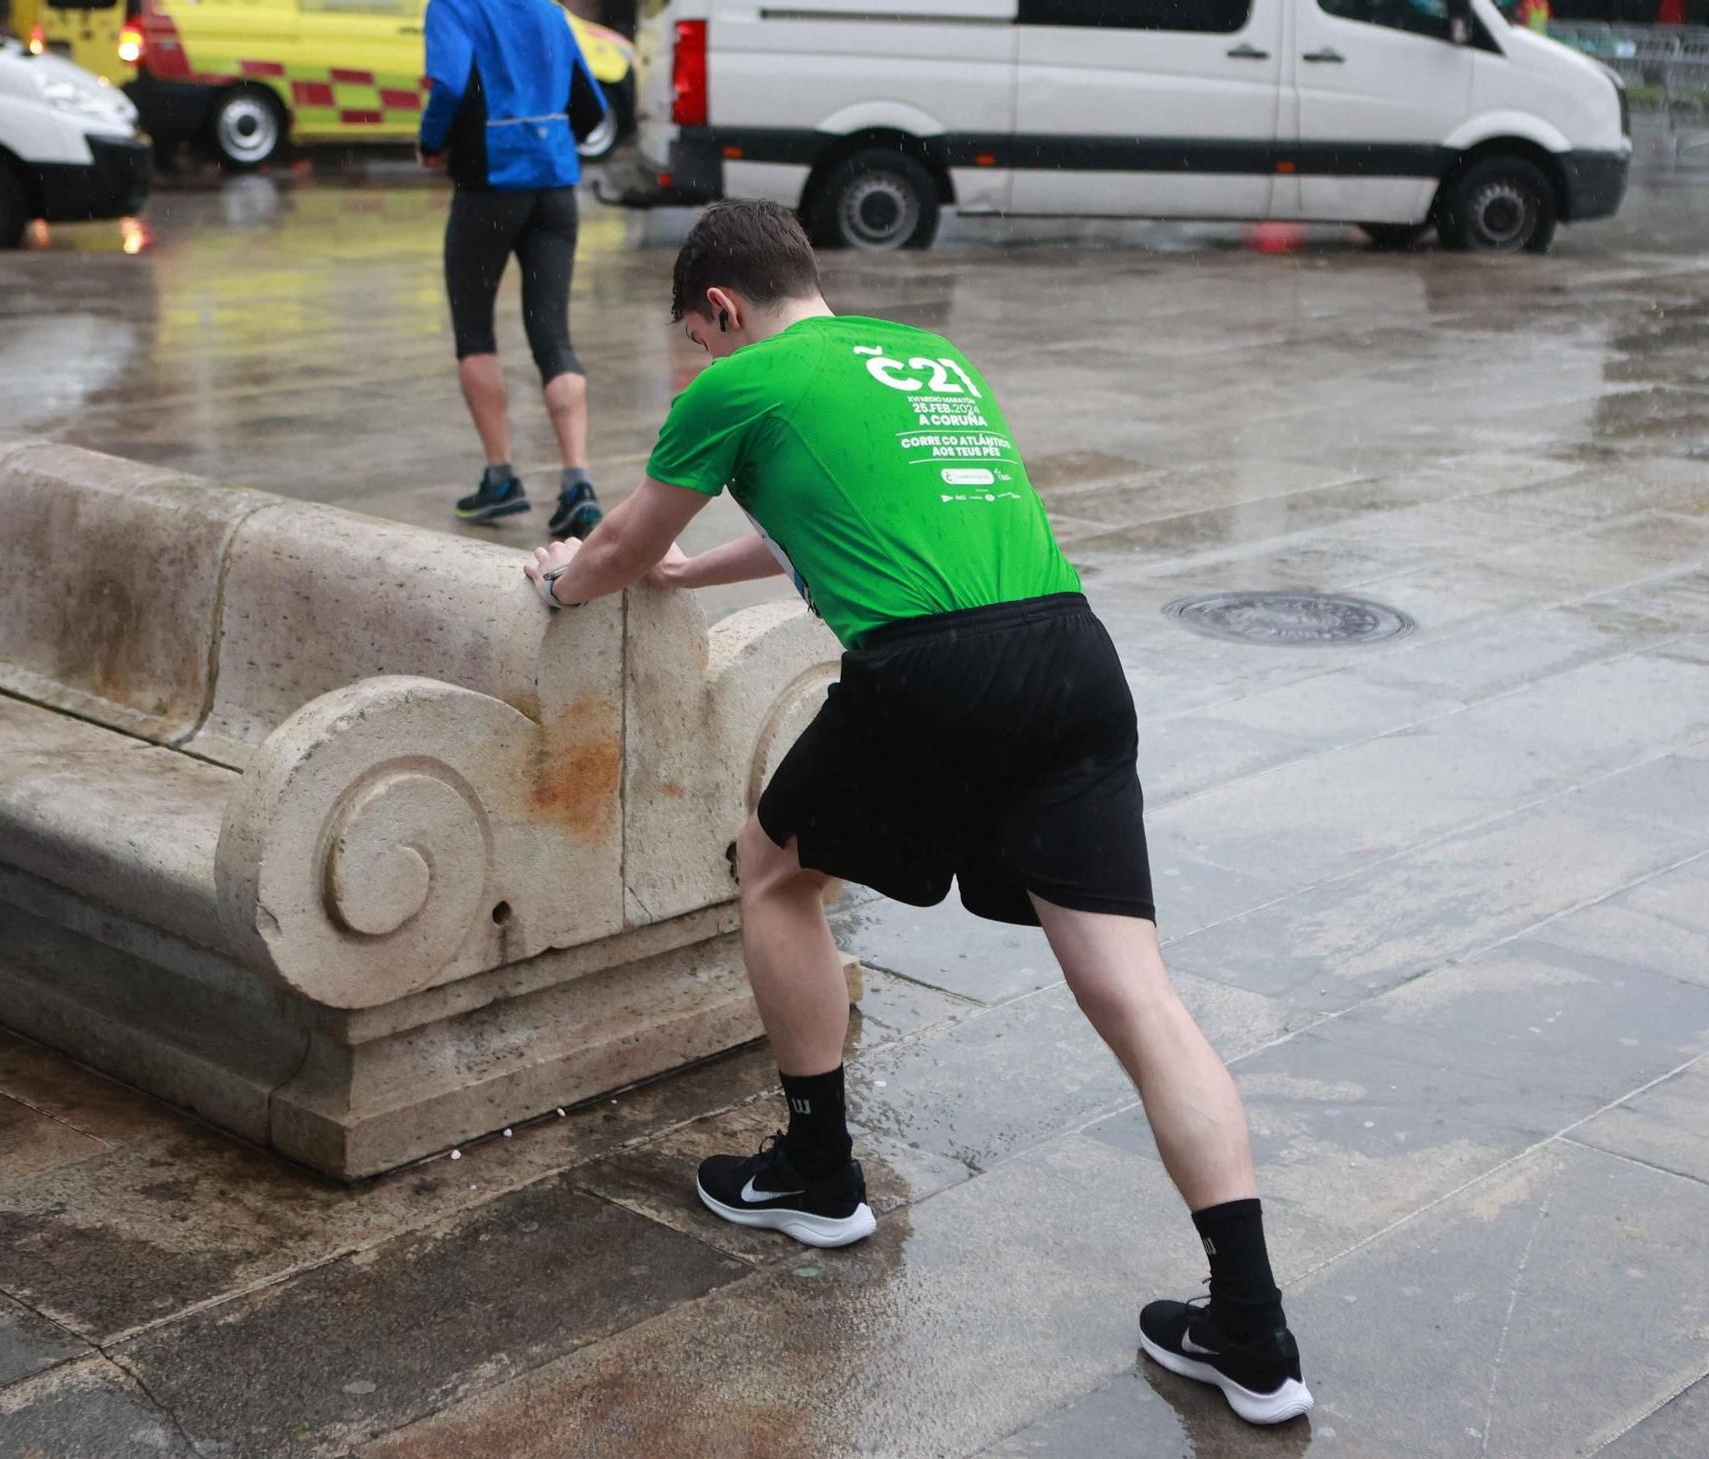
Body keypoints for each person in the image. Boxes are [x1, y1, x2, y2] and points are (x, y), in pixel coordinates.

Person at [523, 198, 1313, 1428]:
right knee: (1134, 994)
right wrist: (696, 570)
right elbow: (835, 520)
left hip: (936, 668)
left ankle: (814, 1167)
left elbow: (619, 542)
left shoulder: (740, 382)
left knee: (772, 871)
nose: (700, 361)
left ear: (719, 310)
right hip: (1071, 655)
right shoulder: (928, 360)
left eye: (698, 338)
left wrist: (566, 584)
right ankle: (1253, 1332)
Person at [419, 0, 607, 539]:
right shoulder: (550, 11)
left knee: (475, 332)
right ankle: (578, 485)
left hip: (490, 187)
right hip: (555, 189)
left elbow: (451, 86)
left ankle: (502, 479)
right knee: (552, 335)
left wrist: (433, 143)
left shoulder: (454, 6)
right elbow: (591, 105)